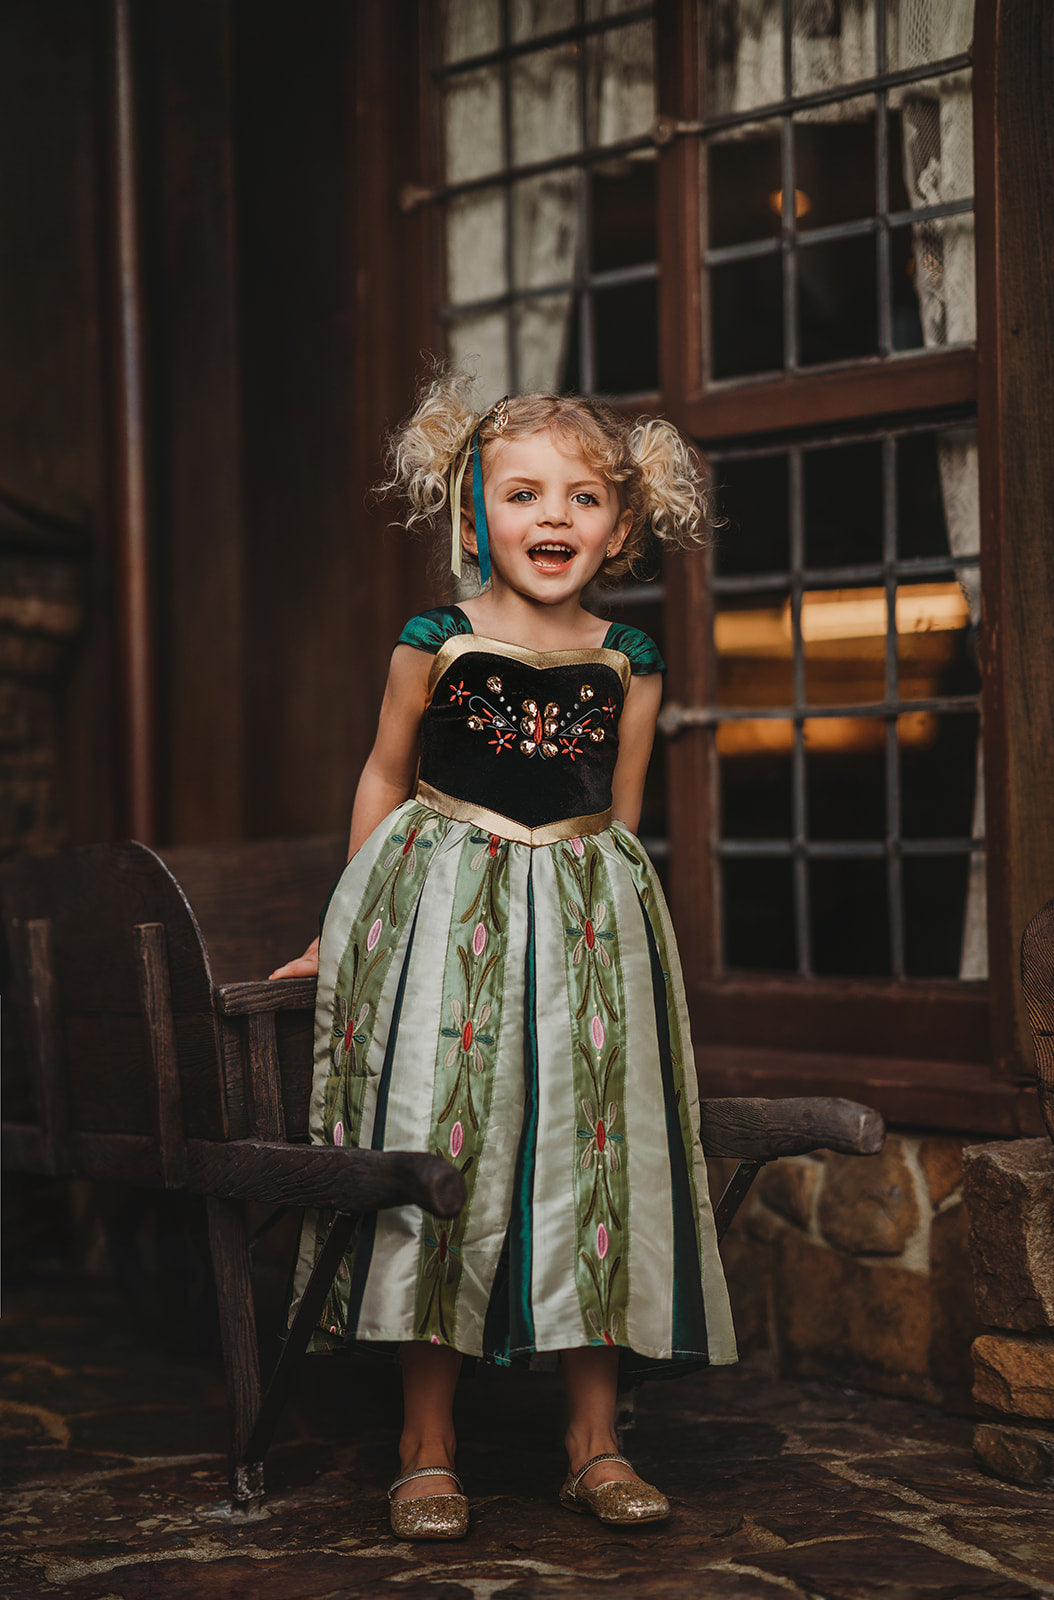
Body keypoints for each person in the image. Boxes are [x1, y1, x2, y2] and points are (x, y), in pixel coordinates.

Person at [270, 372, 736, 1541]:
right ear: (473, 511)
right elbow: (385, 775)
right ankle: (426, 1441)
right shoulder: (436, 640)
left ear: (621, 526)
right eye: (523, 492)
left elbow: (617, 817)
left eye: (584, 498)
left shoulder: (628, 655)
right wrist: (347, 921)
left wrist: (617, 949)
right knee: (446, 1150)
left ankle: (595, 1439)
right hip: (447, 922)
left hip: (586, 921)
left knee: (599, 1155)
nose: (554, 517)